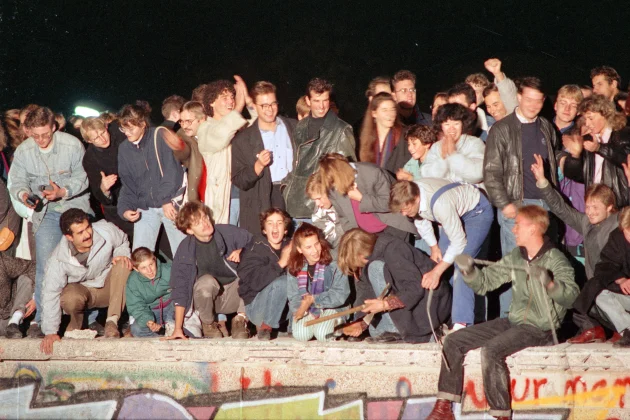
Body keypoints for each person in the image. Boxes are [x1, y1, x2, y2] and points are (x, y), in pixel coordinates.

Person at [426, 205, 578, 420]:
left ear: (534, 228)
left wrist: (550, 284)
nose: (513, 230)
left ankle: (501, 415)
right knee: (454, 341)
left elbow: (572, 297)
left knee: (491, 350)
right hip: (514, 321)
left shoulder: (556, 260)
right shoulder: (517, 256)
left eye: (518, 225)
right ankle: (444, 408)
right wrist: (469, 271)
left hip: (541, 328)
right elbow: (486, 283)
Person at [8, 107, 92, 338]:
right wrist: (25, 196)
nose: (42, 140)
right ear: (27, 131)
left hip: (74, 207)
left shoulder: (72, 145)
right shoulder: (24, 151)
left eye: (46, 134)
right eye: (36, 135)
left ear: (54, 126)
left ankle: (90, 320)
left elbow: (83, 176)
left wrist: (63, 191)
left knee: (83, 261)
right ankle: (43, 322)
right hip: (45, 212)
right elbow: (16, 183)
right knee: (45, 267)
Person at [484, 77, 563, 317]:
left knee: (543, 266)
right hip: (516, 207)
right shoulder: (502, 128)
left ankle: (541, 319)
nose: (533, 105)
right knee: (515, 266)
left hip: (544, 206)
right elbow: (491, 172)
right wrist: (504, 204)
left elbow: (554, 158)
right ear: (518, 97)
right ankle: (510, 319)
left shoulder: (546, 126)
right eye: (528, 99)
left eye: (538, 100)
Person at [532, 155, 619, 343]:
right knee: (572, 296)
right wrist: (542, 181)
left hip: (618, 284)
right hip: (598, 287)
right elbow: (562, 209)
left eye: (596, 207)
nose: (590, 211)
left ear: (610, 207)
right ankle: (594, 330)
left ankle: (623, 329)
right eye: (588, 206)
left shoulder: (617, 223)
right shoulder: (586, 222)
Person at [391, 179, 493, 329]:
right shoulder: (412, 195)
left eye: (405, 209)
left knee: (461, 264)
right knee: (443, 261)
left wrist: (436, 272)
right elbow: (421, 220)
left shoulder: (441, 205)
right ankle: (451, 314)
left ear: (416, 198)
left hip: (476, 211)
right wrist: (434, 247)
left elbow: (459, 242)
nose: (404, 213)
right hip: (454, 211)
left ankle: (462, 323)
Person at [40, 209, 132, 354]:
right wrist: (50, 331)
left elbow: (122, 241)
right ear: (69, 237)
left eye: (87, 227)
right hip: (85, 292)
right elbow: (50, 293)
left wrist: (120, 254)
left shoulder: (105, 230)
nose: (88, 234)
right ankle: (75, 329)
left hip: (109, 287)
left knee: (123, 264)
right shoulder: (58, 259)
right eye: (80, 232)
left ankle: (112, 322)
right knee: (69, 297)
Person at [338, 228, 451, 343]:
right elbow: (365, 289)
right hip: (408, 305)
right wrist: (360, 321)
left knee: (375, 268)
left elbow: (415, 288)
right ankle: (400, 331)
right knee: (375, 332)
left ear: (361, 255)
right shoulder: (372, 253)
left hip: (430, 302)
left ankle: (403, 331)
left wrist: (385, 304)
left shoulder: (394, 250)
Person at [166, 202, 252, 340]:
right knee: (206, 281)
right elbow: (180, 288)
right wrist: (178, 328)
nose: (205, 223)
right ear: (189, 230)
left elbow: (256, 244)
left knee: (252, 272)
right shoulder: (185, 250)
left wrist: (243, 251)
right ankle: (208, 324)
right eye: (198, 222)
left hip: (236, 295)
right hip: (208, 301)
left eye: (205, 218)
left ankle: (241, 321)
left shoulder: (227, 232)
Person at [116, 103, 187, 255]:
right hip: (145, 209)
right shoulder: (124, 149)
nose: (127, 133)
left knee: (183, 255)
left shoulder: (160, 135)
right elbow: (128, 184)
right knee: (140, 257)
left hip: (170, 205)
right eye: (123, 128)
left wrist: (165, 200)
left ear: (142, 124)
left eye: (131, 128)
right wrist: (125, 209)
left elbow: (172, 171)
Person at [282, 78, 356, 220]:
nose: (321, 106)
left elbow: (347, 174)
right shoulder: (300, 126)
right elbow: (297, 164)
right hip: (294, 205)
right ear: (308, 101)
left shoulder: (341, 130)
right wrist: (286, 187)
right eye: (316, 101)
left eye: (325, 100)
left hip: (320, 208)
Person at [231, 81, 297, 234]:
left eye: (273, 104)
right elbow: (239, 180)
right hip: (264, 198)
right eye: (264, 106)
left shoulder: (294, 127)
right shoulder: (243, 140)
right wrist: (258, 166)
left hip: (292, 195)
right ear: (254, 105)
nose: (270, 110)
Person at [196, 76, 258, 225]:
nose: (231, 101)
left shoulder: (238, 125)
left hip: (246, 194)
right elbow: (221, 136)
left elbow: (260, 122)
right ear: (211, 102)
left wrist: (247, 98)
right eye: (224, 97)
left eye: (232, 97)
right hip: (224, 199)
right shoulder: (205, 129)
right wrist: (238, 107)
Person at [318, 153, 418, 239]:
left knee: (398, 258)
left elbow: (391, 203)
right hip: (366, 236)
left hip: (392, 226)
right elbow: (344, 218)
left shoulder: (372, 173)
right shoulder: (331, 185)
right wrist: (354, 238)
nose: (334, 186)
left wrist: (361, 198)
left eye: (335, 181)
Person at [562, 94, 630, 208]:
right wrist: (575, 157)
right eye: (585, 119)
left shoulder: (624, 135)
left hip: (618, 205)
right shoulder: (588, 139)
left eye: (591, 118)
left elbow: (625, 160)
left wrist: (599, 148)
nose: (587, 124)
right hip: (595, 204)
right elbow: (578, 176)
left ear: (606, 114)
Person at [286, 223, 350, 342]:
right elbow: (294, 297)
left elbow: (341, 294)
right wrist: (301, 309)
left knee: (322, 335)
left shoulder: (335, 261)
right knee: (301, 335)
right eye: (308, 247)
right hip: (307, 310)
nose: (315, 250)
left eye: (316, 244)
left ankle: (336, 324)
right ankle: (319, 325)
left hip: (333, 308)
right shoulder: (294, 266)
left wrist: (314, 299)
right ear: (299, 249)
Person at [237, 208, 292, 340]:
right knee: (283, 282)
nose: (275, 227)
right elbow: (255, 283)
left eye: (279, 223)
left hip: (284, 310)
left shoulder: (291, 246)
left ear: (285, 229)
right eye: (270, 223)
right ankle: (266, 327)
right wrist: (281, 263)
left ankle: (293, 326)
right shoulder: (254, 247)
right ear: (264, 229)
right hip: (257, 307)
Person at [80, 117, 133, 239]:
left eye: (103, 132)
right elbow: (98, 193)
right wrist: (104, 188)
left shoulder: (120, 135)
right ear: (89, 141)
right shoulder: (89, 159)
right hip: (117, 206)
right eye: (96, 138)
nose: (102, 139)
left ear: (106, 127)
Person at [587, 208, 630, 347]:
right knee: (598, 292)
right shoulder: (618, 237)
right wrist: (621, 279)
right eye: (626, 231)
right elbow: (605, 265)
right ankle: (627, 329)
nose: (628, 236)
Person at [422, 103, 485, 187]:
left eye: (456, 124)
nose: (452, 128)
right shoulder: (436, 147)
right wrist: (443, 160)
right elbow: (426, 176)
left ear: (463, 125)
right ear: (441, 126)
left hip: (472, 195)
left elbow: (477, 175)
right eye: (447, 124)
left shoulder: (475, 143)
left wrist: (453, 155)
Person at [125, 247, 174, 337]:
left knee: (178, 299)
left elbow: (183, 291)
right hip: (152, 311)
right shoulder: (133, 281)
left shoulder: (169, 270)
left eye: (151, 264)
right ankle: (165, 334)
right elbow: (136, 306)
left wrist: (172, 319)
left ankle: (172, 327)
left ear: (154, 259)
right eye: (143, 268)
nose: (149, 271)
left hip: (172, 309)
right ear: (136, 269)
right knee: (137, 330)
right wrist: (148, 321)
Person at [358, 92, 406, 172]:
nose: (390, 114)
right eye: (385, 110)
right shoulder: (366, 139)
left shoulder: (404, 137)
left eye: (392, 109)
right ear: (374, 113)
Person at [171, 101, 207, 204]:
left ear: (202, 119)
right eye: (181, 121)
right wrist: (177, 146)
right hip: (197, 196)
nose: (184, 126)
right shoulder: (182, 135)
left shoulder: (212, 134)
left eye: (188, 121)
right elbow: (183, 154)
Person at [0, 253, 35, 339]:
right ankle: (25, 324)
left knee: (26, 278)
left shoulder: (3, 261)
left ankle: (15, 321)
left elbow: (33, 267)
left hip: (9, 313)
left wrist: (36, 297)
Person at [305, 173, 343, 251]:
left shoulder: (345, 207)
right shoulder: (320, 207)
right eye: (314, 200)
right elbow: (318, 228)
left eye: (319, 198)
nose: (317, 204)